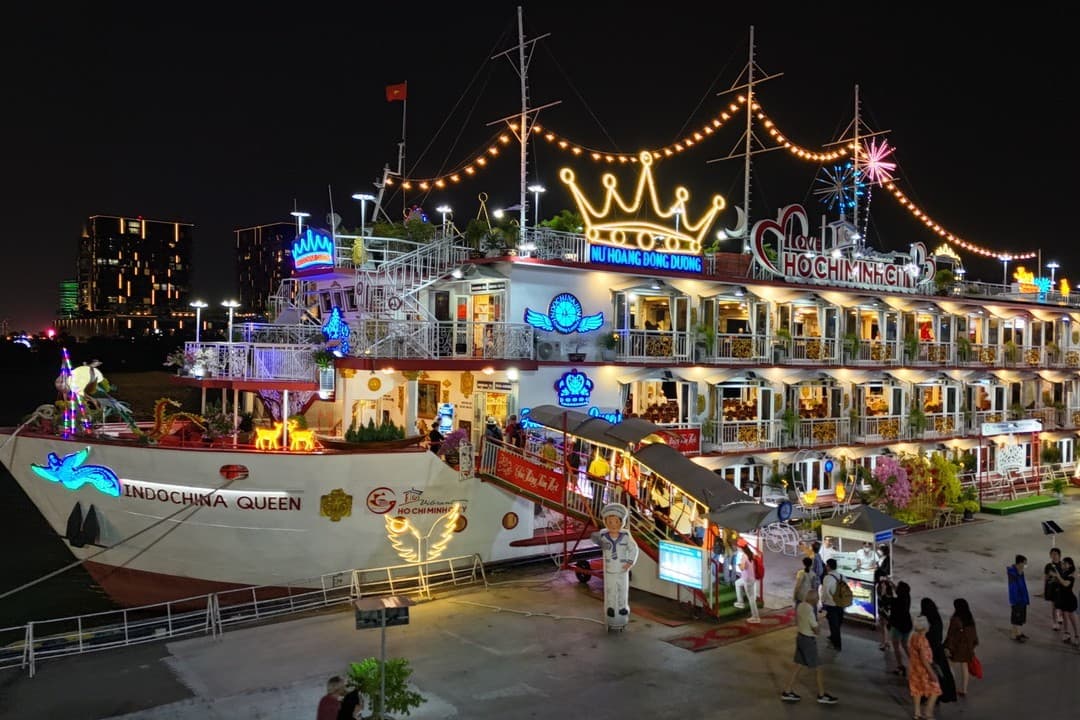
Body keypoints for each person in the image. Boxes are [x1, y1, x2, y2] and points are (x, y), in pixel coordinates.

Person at [780, 589, 839, 705]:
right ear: (815, 599)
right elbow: (816, 629)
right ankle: (822, 695)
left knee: (798, 665)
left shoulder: (801, 606)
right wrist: (820, 622)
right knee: (818, 668)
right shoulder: (809, 610)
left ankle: (787, 691)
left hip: (800, 637)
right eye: (817, 598)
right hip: (808, 640)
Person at [590, 503, 640, 629]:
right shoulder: (603, 535)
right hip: (609, 569)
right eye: (610, 522)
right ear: (605, 522)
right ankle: (611, 608)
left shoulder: (626, 536)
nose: (613, 525)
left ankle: (622, 607)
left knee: (622, 588)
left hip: (622, 568)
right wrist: (599, 541)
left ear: (621, 522)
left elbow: (633, 549)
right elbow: (593, 538)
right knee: (610, 589)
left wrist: (630, 562)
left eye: (616, 522)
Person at [920, 597, 956, 704]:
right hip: (937, 651)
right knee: (939, 674)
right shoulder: (936, 618)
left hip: (931, 652)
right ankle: (936, 696)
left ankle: (930, 696)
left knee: (931, 674)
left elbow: (929, 639)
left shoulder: (928, 622)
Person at [907, 614, 942, 720]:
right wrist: (932, 673)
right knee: (935, 689)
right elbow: (924, 660)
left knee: (917, 690)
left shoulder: (912, 636)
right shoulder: (922, 640)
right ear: (925, 627)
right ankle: (928, 713)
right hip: (923, 670)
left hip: (914, 668)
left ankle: (917, 714)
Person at [944, 598, 979, 697]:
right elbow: (973, 634)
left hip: (957, 647)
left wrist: (947, 647)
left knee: (950, 665)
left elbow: (950, 635)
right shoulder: (969, 618)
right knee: (964, 667)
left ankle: (951, 687)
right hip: (967, 647)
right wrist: (973, 646)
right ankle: (964, 689)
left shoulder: (955, 619)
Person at [1051, 556, 1079, 644]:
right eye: (1062, 563)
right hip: (1062, 598)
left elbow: (1065, 584)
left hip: (1069, 599)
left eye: (1064, 563)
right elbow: (1060, 582)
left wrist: (1057, 576)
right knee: (1064, 616)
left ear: (1070, 565)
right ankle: (1066, 633)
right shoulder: (1064, 573)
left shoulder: (1071, 575)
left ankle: (1077, 635)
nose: (1062, 564)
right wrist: (1055, 579)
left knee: (1072, 617)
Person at [820, 558, 844, 650]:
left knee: (833, 624)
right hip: (841, 603)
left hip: (831, 604)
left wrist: (823, 602)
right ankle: (833, 637)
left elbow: (825, 591)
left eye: (827, 565)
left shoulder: (827, 578)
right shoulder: (841, 576)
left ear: (828, 567)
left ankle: (837, 644)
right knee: (838, 622)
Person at [891, 581, 913, 675]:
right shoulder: (907, 597)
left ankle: (900, 666)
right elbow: (899, 591)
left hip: (898, 626)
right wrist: (891, 583)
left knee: (896, 647)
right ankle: (915, 663)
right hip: (907, 625)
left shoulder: (896, 602)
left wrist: (883, 590)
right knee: (905, 644)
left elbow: (885, 599)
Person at [734, 544, 761, 623]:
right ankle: (740, 602)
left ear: (742, 548)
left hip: (747, 579)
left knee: (751, 598)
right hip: (751, 577)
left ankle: (756, 617)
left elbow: (742, 568)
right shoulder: (750, 554)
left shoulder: (744, 556)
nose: (737, 548)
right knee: (737, 583)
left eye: (738, 547)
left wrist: (738, 564)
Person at [1007, 554, 1030, 642]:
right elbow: (1015, 585)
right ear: (1020, 563)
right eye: (1024, 563)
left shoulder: (1020, 572)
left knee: (1021, 617)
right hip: (1016, 598)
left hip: (1022, 598)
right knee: (1016, 617)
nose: (1025, 566)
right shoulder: (1012, 572)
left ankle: (1018, 632)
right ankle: (1015, 634)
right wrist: (1019, 572)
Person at [1044, 547, 1063, 631]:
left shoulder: (1063, 565)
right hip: (1052, 589)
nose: (1054, 556)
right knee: (1054, 606)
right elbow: (1046, 578)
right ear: (1050, 556)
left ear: (1059, 555)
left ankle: (1060, 615)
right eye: (1052, 554)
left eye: (1056, 554)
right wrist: (1045, 590)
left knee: (1061, 605)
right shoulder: (1048, 566)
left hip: (1061, 588)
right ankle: (1054, 623)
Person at [876, 576, 895, 651]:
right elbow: (880, 597)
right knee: (883, 626)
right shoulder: (879, 588)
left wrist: (889, 582)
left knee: (885, 626)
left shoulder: (888, 594)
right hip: (882, 610)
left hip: (886, 611)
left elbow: (883, 598)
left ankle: (885, 643)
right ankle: (885, 642)